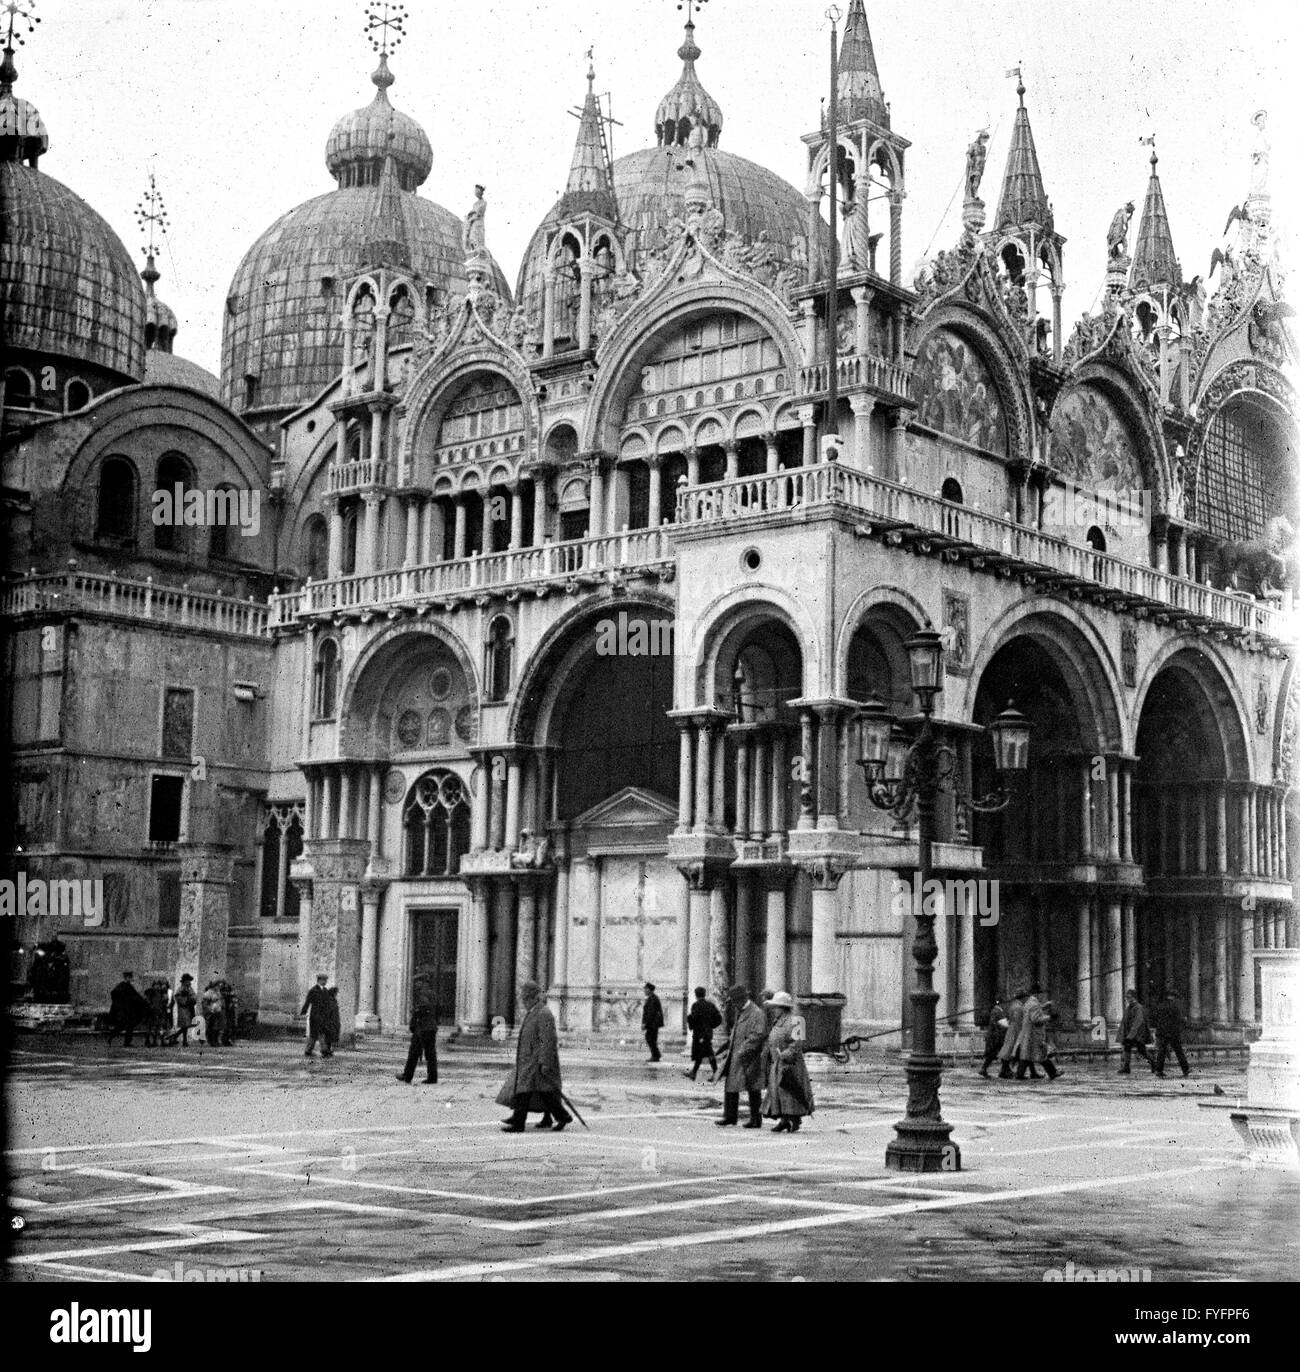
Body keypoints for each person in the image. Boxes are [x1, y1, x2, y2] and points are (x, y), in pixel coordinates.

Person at [502, 980, 571, 1133]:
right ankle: (560, 1116)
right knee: (536, 1092)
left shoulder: (543, 1013)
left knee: (528, 1092)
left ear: (533, 998)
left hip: (536, 1062)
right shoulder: (534, 1012)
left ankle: (519, 1123)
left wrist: (544, 1062)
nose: (523, 1003)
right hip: (529, 1061)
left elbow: (547, 1040)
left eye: (525, 999)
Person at [761, 991, 814, 1133]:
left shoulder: (797, 1021)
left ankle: (795, 1119)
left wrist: (786, 1054)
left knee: (790, 1092)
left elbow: (798, 1043)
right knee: (778, 1091)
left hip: (791, 1064)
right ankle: (784, 1120)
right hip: (777, 1062)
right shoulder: (777, 1021)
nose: (774, 1010)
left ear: (783, 1008)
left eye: (776, 1007)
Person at [716, 985, 768, 1128]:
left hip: (751, 1056)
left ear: (740, 1000)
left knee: (753, 1088)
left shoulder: (756, 1013)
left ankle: (756, 1119)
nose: (732, 1004)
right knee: (731, 1085)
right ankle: (730, 1116)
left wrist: (743, 1050)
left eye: (733, 1001)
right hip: (737, 1055)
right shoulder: (741, 1011)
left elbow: (758, 1034)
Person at [397, 972, 439, 1084]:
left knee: (413, 1053)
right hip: (431, 1027)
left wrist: (414, 1011)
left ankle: (407, 1076)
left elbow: (423, 1008)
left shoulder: (422, 994)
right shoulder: (433, 994)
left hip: (422, 1028)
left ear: (422, 982)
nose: (416, 984)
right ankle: (432, 1077)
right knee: (430, 1054)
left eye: (417, 982)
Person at [1014, 985, 1061, 1081]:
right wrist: (1050, 1017)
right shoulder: (1033, 1003)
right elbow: (1036, 1019)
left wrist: (1044, 1006)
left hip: (1028, 1033)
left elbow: (1035, 1010)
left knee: (1026, 1054)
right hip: (1035, 1034)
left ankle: (1019, 1074)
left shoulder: (1029, 1003)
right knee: (1041, 1054)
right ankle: (1053, 1072)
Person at [684, 986, 722, 1081]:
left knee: (707, 1053)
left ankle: (716, 1073)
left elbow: (694, 1019)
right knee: (701, 1053)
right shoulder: (710, 1005)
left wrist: (689, 1019)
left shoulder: (696, 1005)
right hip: (707, 1033)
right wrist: (711, 1026)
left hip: (699, 1034)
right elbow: (719, 1019)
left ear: (696, 995)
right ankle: (694, 1072)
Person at [1152, 990, 1190, 1078]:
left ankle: (1159, 1070)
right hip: (1172, 1032)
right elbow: (1179, 1018)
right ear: (1172, 997)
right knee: (1179, 1051)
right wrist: (1184, 1021)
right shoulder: (1174, 1006)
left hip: (1162, 1032)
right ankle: (1185, 1069)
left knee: (1161, 1052)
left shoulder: (1160, 1006)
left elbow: (1154, 1018)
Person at [106, 971, 148, 1046]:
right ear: (126, 978)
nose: (131, 979)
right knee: (124, 1026)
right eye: (129, 977)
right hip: (125, 1011)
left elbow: (136, 996)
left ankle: (122, 1040)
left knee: (127, 1026)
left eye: (131, 977)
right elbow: (116, 995)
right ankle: (113, 1038)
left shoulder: (126, 986)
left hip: (128, 1011)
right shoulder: (123, 986)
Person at [1118, 989, 1155, 1074]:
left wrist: (1130, 1035)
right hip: (1130, 1034)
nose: (1127, 999)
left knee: (1142, 1051)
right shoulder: (1129, 1008)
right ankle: (1126, 1067)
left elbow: (1137, 1022)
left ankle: (1154, 1064)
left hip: (1138, 1035)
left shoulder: (1138, 1007)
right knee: (1127, 1048)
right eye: (1126, 997)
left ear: (1133, 997)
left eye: (1129, 997)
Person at [302, 973, 333, 1057]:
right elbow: (308, 1001)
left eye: (326, 980)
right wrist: (303, 1011)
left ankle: (308, 1050)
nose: (325, 981)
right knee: (319, 1033)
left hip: (323, 1016)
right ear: (319, 980)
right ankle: (324, 1050)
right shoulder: (313, 990)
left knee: (315, 1034)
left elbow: (328, 1004)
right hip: (315, 1016)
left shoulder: (326, 991)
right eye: (324, 980)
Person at [997, 990, 1024, 1079]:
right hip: (1016, 1030)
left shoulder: (1013, 1005)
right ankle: (1006, 1071)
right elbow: (1018, 1020)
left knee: (1008, 1050)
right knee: (1010, 1050)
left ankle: (1005, 1070)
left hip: (1012, 1029)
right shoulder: (1018, 1007)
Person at [979, 996, 1009, 1077]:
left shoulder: (997, 1010)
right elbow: (996, 1023)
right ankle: (1004, 1071)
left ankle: (1005, 1070)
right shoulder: (997, 1011)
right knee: (997, 1054)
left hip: (996, 1036)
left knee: (997, 1054)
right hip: (996, 1037)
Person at [169, 973, 197, 1046]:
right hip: (183, 1009)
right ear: (184, 981)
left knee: (187, 1025)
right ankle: (183, 1040)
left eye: (189, 981)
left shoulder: (190, 988)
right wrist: (185, 1001)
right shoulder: (181, 988)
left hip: (189, 1008)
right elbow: (178, 997)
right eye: (188, 981)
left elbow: (194, 995)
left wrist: (193, 1000)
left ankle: (176, 1036)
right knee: (185, 1025)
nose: (189, 982)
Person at [143, 979, 170, 1047]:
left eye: (158, 985)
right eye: (156, 985)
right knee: (150, 1027)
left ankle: (158, 1041)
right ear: (153, 986)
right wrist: (151, 1007)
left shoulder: (162, 993)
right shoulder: (150, 992)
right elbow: (147, 1001)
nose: (157, 987)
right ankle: (148, 1041)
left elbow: (165, 1001)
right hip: (151, 1013)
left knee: (159, 1027)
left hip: (160, 1012)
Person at [642, 981, 664, 1062]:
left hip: (653, 1024)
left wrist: (645, 1024)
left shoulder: (653, 999)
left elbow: (650, 1013)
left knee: (650, 1039)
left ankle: (656, 1055)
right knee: (650, 1039)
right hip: (653, 1023)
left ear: (649, 990)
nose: (644, 991)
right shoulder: (652, 998)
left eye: (645, 989)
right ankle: (656, 1055)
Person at [201, 980, 226, 1046]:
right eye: (218, 985)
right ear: (214, 986)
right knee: (211, 1027)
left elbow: (220, 1001)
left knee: (217, 1027)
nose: (219, 987)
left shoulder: (218, 992)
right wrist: (209, 1010)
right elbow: (205, 1003)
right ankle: (211, 1041)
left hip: (218, 1011)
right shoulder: (208, 993)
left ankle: (215, 1040)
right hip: (211, 1012)